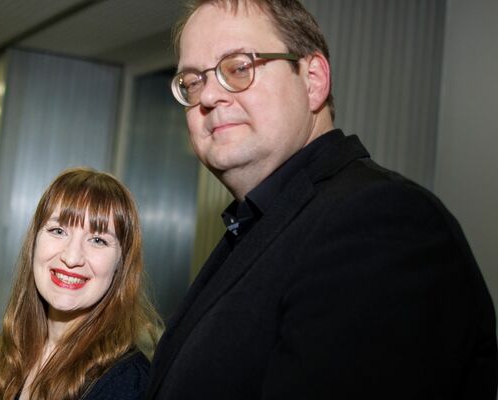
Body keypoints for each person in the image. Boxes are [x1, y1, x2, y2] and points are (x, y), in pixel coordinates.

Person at [146, 0, 498, 399]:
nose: (208, 95)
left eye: (239, 67)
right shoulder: (259, 224)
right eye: (192, 81)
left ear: (313, 79)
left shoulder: (382, 223)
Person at [0, 167, 161, 400]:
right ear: (34, 242)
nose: (72, 258)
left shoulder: (127, 384)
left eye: (97, 240)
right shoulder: (4, 355)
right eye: (58, 230)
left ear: (120, 264)